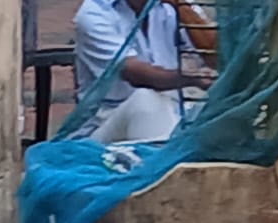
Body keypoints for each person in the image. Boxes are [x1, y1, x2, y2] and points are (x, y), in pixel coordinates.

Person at [73, 0, 218, 144]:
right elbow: (136, 75)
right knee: (147, 100)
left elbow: (216, 58)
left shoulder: (173, 6)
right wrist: (192, 78)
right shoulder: (94, 12)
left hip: (172, 112)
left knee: (224, 109)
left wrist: (183, 9)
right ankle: (166, 162)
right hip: (105, 125)